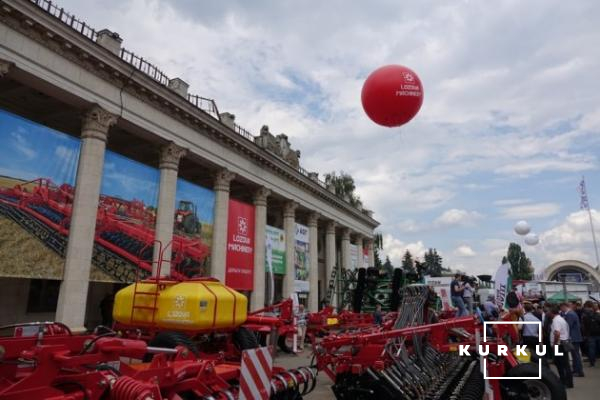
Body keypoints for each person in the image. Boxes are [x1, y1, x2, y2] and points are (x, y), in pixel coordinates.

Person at [548, 304, 573, 388]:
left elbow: (557, 333)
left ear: (552, 313)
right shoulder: (561, 319)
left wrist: (555, 344)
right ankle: (568, 382)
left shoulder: (556, 320)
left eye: (549, 312)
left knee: (561, 364)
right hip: (563, 343)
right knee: (564, 364)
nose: (548, 313)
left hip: (559, 345)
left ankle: (564, 381)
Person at [561, 302, 584, 377]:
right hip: (575, 337)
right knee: (575, 355)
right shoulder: (571, 313)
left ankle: (579, 371)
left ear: (564, 306)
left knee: (575, 355)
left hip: (573, 338)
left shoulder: (570, 314)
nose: (561, 309)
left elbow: (568, 326)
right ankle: (576, 370)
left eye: (561, 307)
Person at [582, 300, 600, 367]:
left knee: (591, 349)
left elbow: (584, 325)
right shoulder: (596, 314)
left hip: (590, 334)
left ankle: (592, 362)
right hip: (597, 333)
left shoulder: (585, 315)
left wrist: (585, 334)